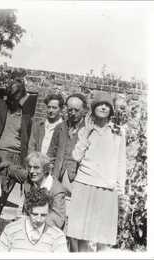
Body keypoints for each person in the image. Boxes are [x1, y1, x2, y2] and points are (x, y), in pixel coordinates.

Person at [66, 92, 126, 252]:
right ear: (93, 108)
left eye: (107, 105)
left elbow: (121, 163)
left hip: (107, 188)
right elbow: (76, 156)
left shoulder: (118, 132)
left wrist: (120, 189)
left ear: (111, 111)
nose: (104, 107)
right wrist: (86, 133)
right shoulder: (85, 131)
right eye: (100, 104)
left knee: (103, 237)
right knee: (81, 234)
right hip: (84, 184)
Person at [0, 78, 34, 218]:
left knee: (3, 197)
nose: (13, 101)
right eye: (11, 97)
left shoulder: (26, 117)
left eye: (17, 97)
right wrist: (7, 88)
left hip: (16, 158)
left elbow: (26, 141)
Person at [0, 188, 68, 252]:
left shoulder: (57, 236)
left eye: (43, 215)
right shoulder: (11, 230)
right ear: (28, 211)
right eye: (35, 214)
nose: (39, 220)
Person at [47, 93, 87, 195]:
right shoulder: (60, 127)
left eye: (76, 110)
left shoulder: (88, 130)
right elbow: (51, 153)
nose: (73, 113)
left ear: (84, 110)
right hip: (57, 177)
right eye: (70, 110)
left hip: (77, 179)